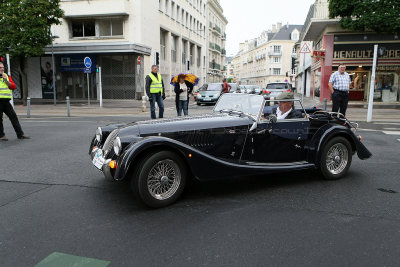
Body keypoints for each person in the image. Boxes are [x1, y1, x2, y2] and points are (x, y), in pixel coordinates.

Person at [0, 62, 30, 141]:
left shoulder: (6, 76)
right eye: (0, 68)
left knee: (13, 117)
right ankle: (1, 135)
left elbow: (13, 86)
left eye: (2, 67)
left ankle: (20, 134)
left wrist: (6, 80)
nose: (2, 69)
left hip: (6, 101)